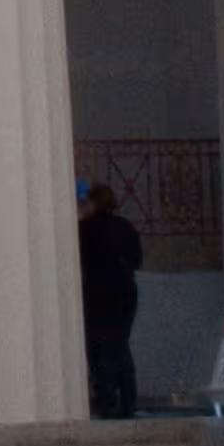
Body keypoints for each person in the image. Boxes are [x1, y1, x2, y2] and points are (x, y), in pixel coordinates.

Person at [77, 179, 143, 419]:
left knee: (99, 349)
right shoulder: (125, 226)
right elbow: (137, 260)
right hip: (126, 294)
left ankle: (107, 401)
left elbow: (77, 261)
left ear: (92, 203)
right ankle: (128, 400)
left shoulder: (86, 229)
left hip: (98, 296)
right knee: (120, 346)